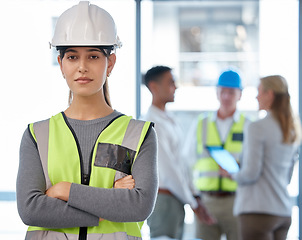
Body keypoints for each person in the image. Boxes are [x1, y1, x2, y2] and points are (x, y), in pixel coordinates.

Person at [16, 2, 158, 240]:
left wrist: (63, 190)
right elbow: (31, 209)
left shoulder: (138, 134)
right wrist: (105, 206)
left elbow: (139, 205)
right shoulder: (37, 136)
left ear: (109, 63)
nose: (82, 67)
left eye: (93, 56)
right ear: (61, 65)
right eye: (72, 57)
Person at [221, 75, 301, 240]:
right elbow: (287, 178)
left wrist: (232, 174)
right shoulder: (292, 130)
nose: (257, 97)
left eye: (259, 92)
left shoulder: (257, 127)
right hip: (283, 212)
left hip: (258, 212)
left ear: (270, 94)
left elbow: (251, 173)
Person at [142, 66, 215, 240]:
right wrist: (192, 202)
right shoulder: (152, 123)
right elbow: (169, 171)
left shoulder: (170, 120)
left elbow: (181, 164)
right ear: (154, 87)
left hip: (177, 198)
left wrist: (194, 196)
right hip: (163, 199)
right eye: (171, 83)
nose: (176, 87)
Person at [184, 69, 250, 240]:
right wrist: (194, 200)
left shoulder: (249, 126)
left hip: (236, 201)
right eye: (223, 91)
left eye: (231, 92)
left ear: (240, 94)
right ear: (216, 93)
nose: (226, 97)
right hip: (206, 201)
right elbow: (187, 162)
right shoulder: (201, 123)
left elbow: (254, 165)